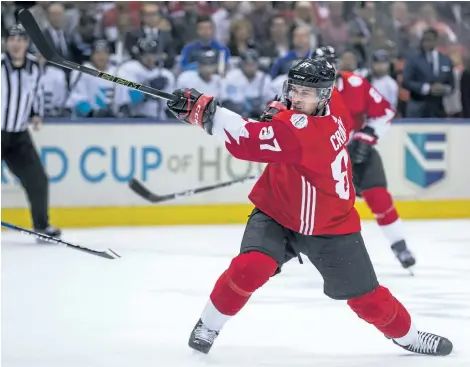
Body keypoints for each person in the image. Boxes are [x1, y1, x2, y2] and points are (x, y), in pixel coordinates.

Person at [165, 57, 452, 357]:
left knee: (367, 299)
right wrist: (278, 113)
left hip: (330, 224)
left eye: (306, 93)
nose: (297, 98)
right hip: (279, 210)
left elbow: (246, 140)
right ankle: (208, 325)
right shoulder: (330, 109)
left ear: (324, 95)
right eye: (294, 90)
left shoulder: (300, 130)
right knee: (251, 267)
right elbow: (285, 122)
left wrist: (205, 112)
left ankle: (410, 336)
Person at [315, 46, 416, 270]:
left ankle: (399, 245)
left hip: (358, 154)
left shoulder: (356, 84)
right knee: (318, 207)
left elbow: (385, 112)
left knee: (379, 197)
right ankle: (291, 250)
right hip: (326, 160)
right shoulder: (305, 93)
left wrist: (366, 136)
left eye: (330, 64)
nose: (326, 70)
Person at [1, 25, 61, 241]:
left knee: (38, 180)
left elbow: (35, 93)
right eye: (12, 39)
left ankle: (42, 226)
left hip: (18, 134)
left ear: (26, 43)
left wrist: (37, 114)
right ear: (6, 42)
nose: (16, 43)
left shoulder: (35, 67)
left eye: (21, 39)